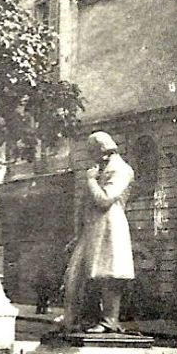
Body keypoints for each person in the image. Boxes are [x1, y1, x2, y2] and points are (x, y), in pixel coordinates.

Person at [61, 131, 136, 333]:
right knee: (76, 274)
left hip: (110, 227)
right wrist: (79, 235)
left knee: (108, 274)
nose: (90, 157)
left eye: (92, 151)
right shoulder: (101, 169)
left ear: (102, 151)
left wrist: (91, 180)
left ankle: (108, 321)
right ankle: (77, 320)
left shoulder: (121, 169)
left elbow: (104, 200)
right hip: (93, 230)